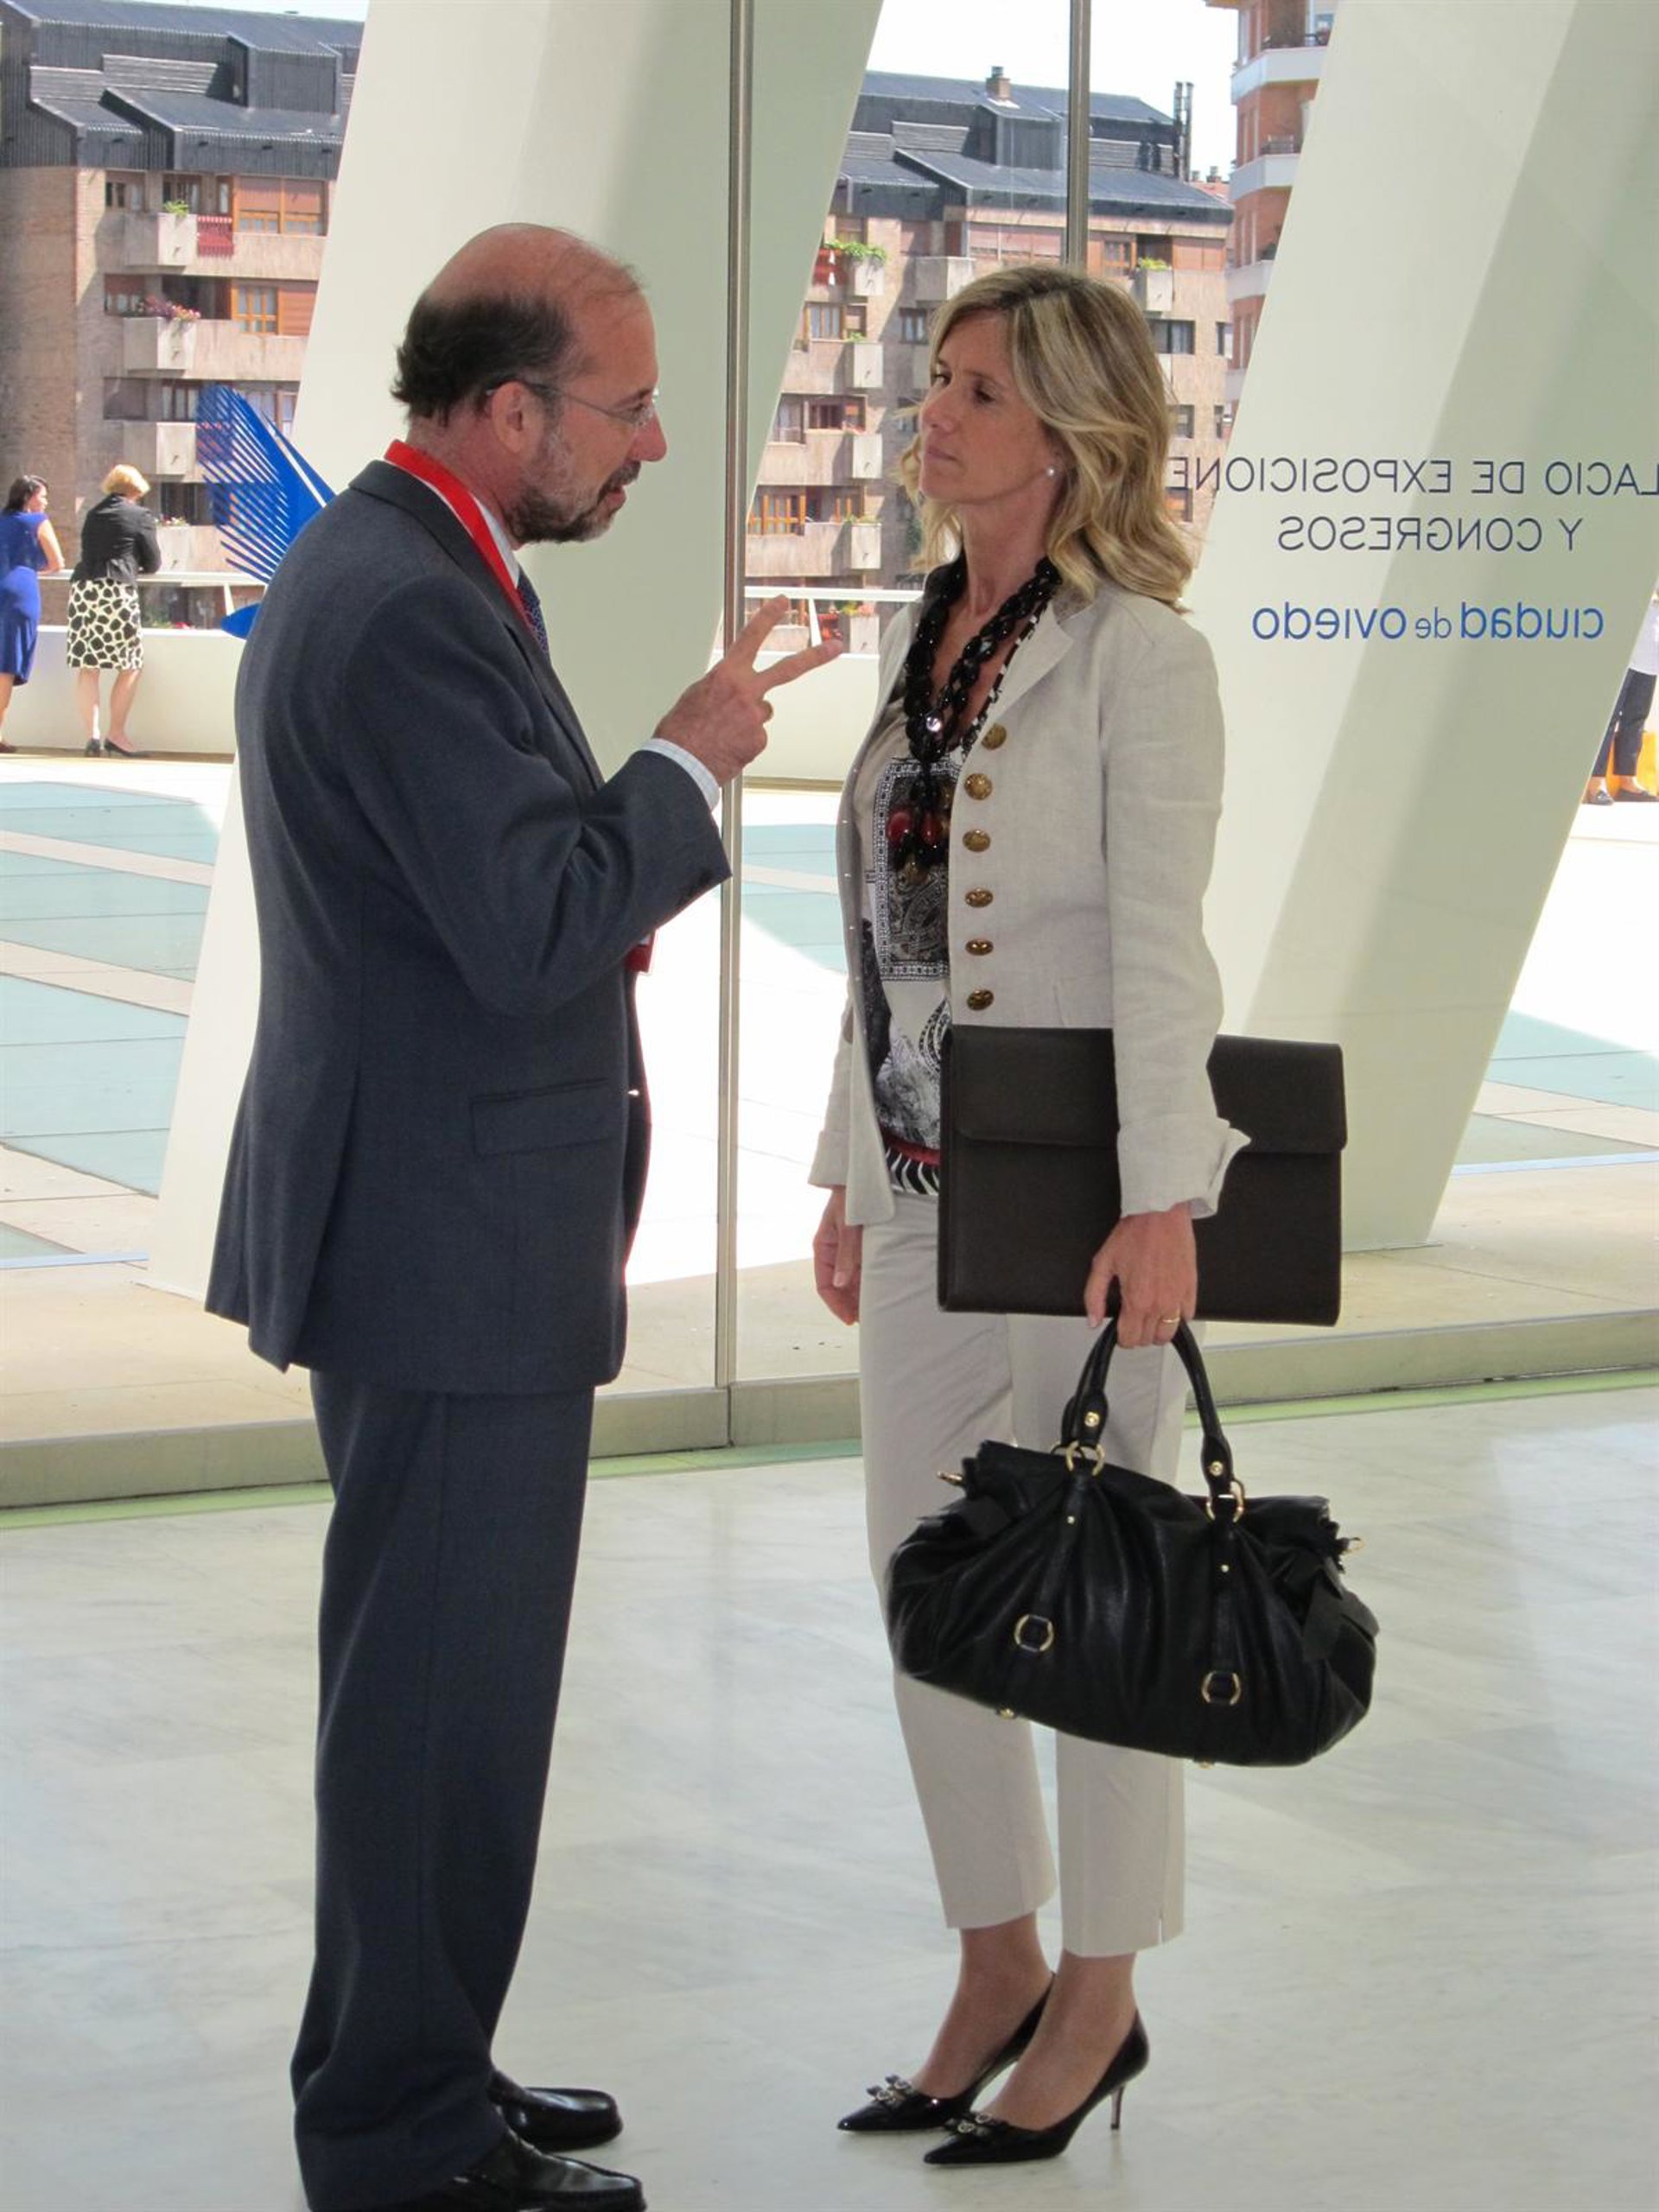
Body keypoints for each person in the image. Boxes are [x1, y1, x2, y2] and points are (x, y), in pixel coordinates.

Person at [207, 225, 838, 2212]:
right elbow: (531, 918)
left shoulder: (410, 566)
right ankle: (400, 2138)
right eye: (627, 407)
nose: (652, 443)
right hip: (446, 1243)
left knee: (435, 1693)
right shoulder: (409, 605)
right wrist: (687, 760)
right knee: (439, 1706)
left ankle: (420, 2062)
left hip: (426, 1220)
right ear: (503, 410)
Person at [810, 264, 1243, 2170]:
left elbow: (1162, 952)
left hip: (1080, 1205)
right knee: (929, 1578)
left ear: (1070, 433)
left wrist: (1165, 1199)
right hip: (920, 1191)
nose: (937, 412)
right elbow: (882, 947)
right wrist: (846, 1168)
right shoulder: (927, 643)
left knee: (1100, 1589)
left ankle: (1099, 1989)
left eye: (979, 389)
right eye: (940, 380)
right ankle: (993, 1956)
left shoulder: (1142, 659)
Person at [67, 462, 161, 756]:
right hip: (116, 589)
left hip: (84, 590)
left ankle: (92, 736)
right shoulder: (140, 516)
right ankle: (117, 734)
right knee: (130, 664)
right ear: (136, 489)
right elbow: (154, 562)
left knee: (89, 667)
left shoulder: (93, 513)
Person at [0, 476, 65, 753]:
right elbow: (57, 562)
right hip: (20, 593)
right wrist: (34, 571)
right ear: (28, 496)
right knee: (6, 665)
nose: (46, 501)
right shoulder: (37, 521)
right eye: (43, 496)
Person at [1583, 583, 1659, 804]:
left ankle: (1628, 781)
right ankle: (1596, 783)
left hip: (1650, 652)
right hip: (1623, 647)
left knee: (1636, 717)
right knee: (1609, 717)